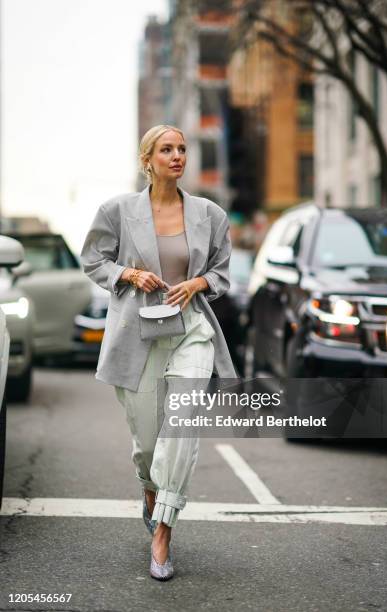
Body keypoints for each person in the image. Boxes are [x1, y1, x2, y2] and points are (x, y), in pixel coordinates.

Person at [80, 124, 238, 580]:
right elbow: (94, 260)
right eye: (166, 149)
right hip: (138, 333)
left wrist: (199, 282)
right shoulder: (117, 210)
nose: (177, 156)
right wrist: (129, 274)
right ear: (147, 159)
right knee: (149, 440)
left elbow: (222, 271)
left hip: (192, 330)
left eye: (182, 149)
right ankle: (150, 486)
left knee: (181, 430)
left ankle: (163, 529)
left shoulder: (210, 214)